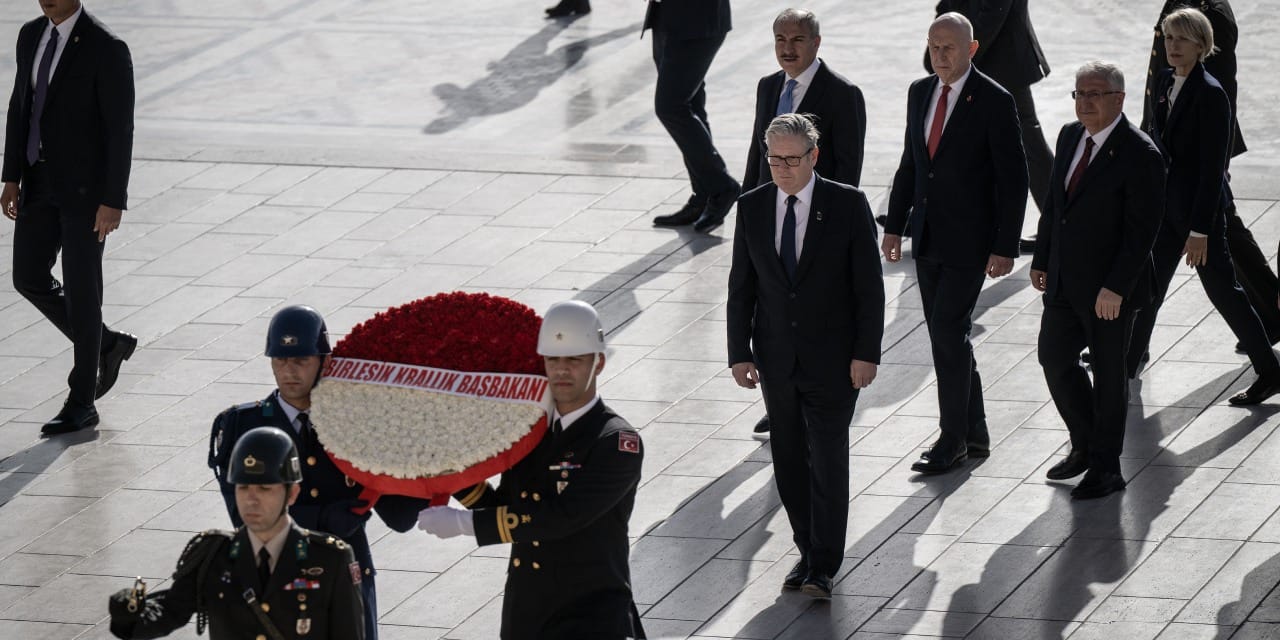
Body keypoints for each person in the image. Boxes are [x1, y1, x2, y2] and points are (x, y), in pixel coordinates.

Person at [418, 300, 646, 640]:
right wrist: (458, 480)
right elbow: (508, 507)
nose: (562, 370)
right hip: (527, 612)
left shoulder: (615, 441)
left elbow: (560, 517)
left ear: (598, 363)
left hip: (591, 614)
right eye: (553, 360)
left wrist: (464, 525)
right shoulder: (531, 434)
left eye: (574, 360)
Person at [726, 113, 884, 599]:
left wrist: (866, 352)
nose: (782, 168)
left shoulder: (847, 204)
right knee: (789, 459)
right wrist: (738, 352)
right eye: (774, 159)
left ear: (813, 157)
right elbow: (741, 286)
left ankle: (823, 564)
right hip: (776, 359)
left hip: (835, 361)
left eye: (792, 160)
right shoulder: (752, 207)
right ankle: (806, 549)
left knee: (828, 459)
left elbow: (868, 288)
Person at [208, 305, 429, 640]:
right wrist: (323, 521)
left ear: (325, 363)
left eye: (301, 361)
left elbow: (400, 517)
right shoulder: (243, 427)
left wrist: (424, 462)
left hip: (345, 583)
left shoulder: (356, 423)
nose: (289, 371)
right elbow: (246, 518)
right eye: (281, 360)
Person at [882, 12, 1028, 475]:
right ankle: (976, 431)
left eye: (949, 48)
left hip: (970, 240)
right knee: (950, 336)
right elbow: (912, 163)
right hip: (927, 236)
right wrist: (893, 226)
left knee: (948, 333)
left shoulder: (993, 99)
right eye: (933, 46)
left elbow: (1014, 177)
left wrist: (1006, 244)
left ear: (972, 49)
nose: (939, 56)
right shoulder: (919, 92)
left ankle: (953, 439)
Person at [1128, 8, 1280, 404]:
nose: (1172, 47)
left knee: (1225, 294)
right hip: (1167, 212)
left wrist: (1200, 231)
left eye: (1181, 39)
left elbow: (1213, 171)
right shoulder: (1165, 82)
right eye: (1167, 38)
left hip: (1200, 218)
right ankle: (1127, 364)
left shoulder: (1211, 94)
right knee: (1149, 288)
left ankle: (1271, 371)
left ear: (1201, 45)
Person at [1030, 61, 1166, 500]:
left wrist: (1117, 287)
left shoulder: (1139, 153)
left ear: (1119, 99)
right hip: (1065, 281)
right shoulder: (1071, 136)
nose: (1084, 102)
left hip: (1109, 291)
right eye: (1078, 94)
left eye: (1093, 94)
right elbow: (1055, 203)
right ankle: (1086, 444)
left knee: (1110, 378)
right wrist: (1042, 258)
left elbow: (1141, 232)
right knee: (1054, 358)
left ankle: (1107, 469)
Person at [2, 0, 137, 436]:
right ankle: (107, 342)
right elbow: (20, 106)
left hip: (86, 194)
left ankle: (82, 401)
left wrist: (113, 199)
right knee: (27, 276)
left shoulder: (106, 47)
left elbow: (120, 129)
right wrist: (10, 177)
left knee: (83, 289)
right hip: (38, 182)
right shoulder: (30, 35)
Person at [108, 426, 365, 639]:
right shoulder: (213, 555)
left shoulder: (329, 559)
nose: (251, 500)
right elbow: (170, 610)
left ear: (292, 493)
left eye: (264, 489)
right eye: (243, 488)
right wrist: (130, 612)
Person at [742, 8, 867, 443]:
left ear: (816, 42)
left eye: (797, 40)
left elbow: (848, 167)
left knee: (810, 310)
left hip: (815, 225)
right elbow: (759, 158)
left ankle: (811, 401)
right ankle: (780, 405)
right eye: (780, 39)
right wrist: (745, 212)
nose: (787, 48)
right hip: (770, 218)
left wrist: (834, 229)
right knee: (770, 307)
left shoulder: (841, 93)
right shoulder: (768, 86)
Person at [928, 0, 1052, 254]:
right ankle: (929, 211)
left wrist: (960, 57)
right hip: (972, 56)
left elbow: (993, 14)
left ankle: (1060, 223)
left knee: (1027, 143)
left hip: (1002, 62)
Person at [645, 0, 742, 233]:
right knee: (691, 106)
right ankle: (704, 195)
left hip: (697, 21)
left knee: (671, 106)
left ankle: (721, 186)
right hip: (665, 17)